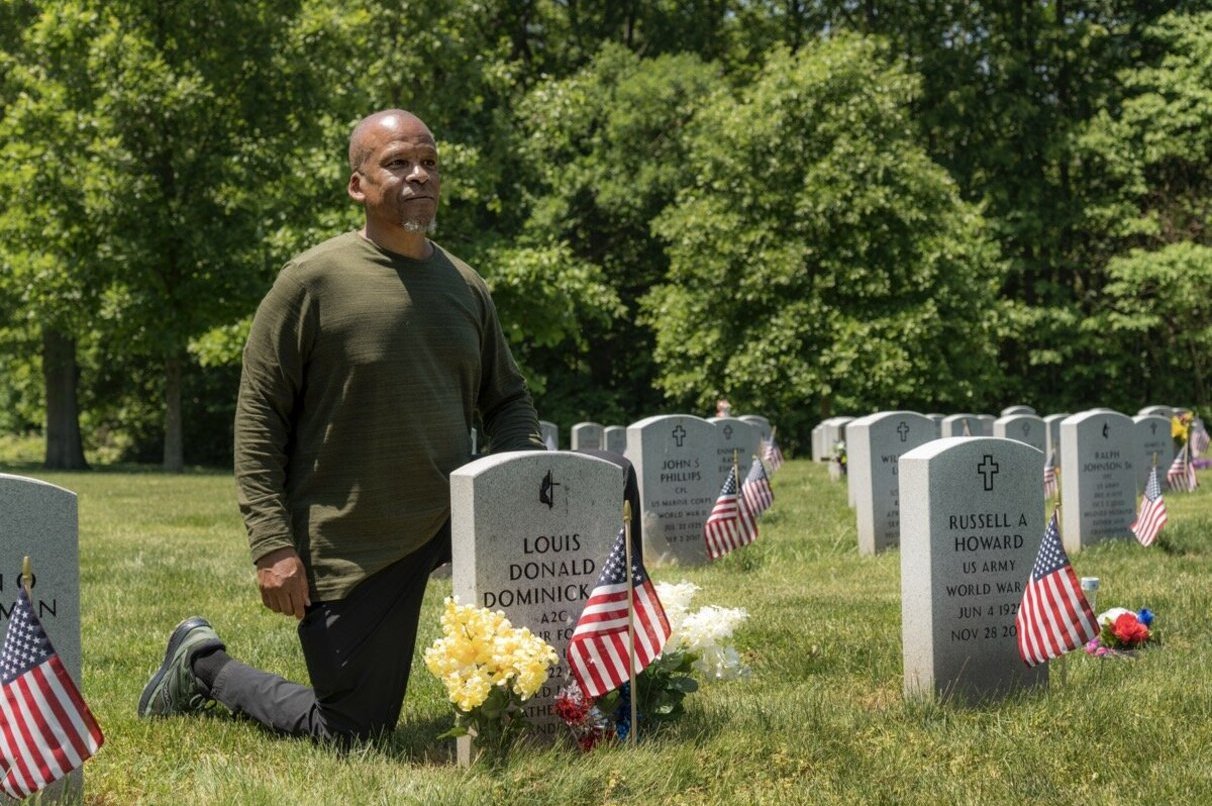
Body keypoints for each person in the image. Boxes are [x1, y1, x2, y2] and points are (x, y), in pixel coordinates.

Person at [137, 109, 544, 744]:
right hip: (353, 543)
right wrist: (273, 545)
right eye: (398, 163)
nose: (419, 176)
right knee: (352, 732)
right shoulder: (312, 282)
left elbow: (509, 399)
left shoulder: (465, 284)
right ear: (358, 185)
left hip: (452, 523)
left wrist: (512, 483)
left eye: (430, 163)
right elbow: (259, 416)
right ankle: (203, 667)